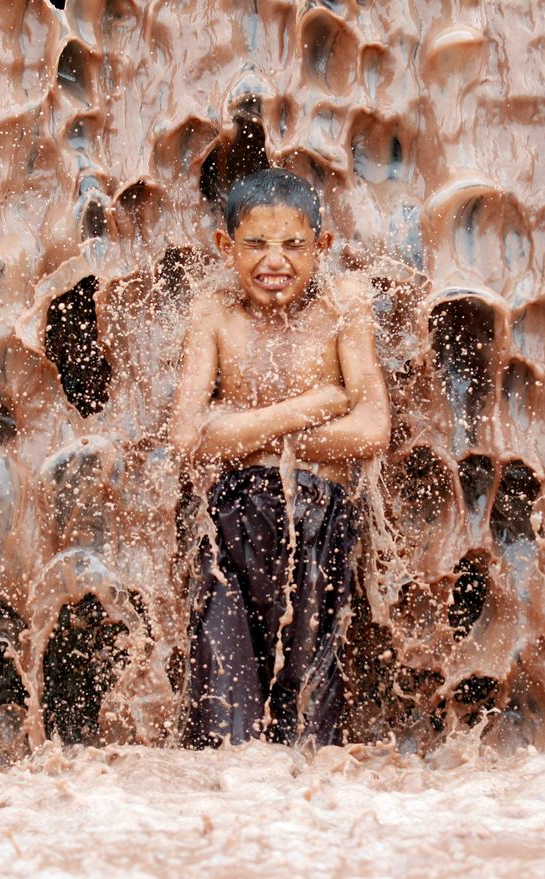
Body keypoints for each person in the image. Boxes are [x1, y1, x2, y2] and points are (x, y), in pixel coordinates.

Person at [170, 168, 391, 747]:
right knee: (221, 720)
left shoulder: (345, 303)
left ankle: (303, 829)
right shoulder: (212, 311)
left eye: (294, 244)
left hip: (320, 523)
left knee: (308, 718)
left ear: (322, 246)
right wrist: (311, 406)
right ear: (225, 248)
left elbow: (371, 428)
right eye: (256, 244)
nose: (276, 261)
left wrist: (242, 435)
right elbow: (188, 441)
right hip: (226, 529)